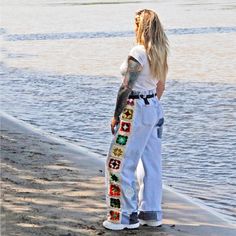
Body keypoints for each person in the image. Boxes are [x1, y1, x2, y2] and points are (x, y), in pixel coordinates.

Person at [103, 9, 169, 230]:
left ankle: (123, 215)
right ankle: (151, 212)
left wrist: (116, 115)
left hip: (135, 108)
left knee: (119, 163)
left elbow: (126, 86)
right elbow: (160, 86)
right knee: (151, 164)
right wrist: (151, 107)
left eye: (135, 25)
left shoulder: (139, 52)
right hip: (154, 108)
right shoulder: (160, 51)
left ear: (140, 27)